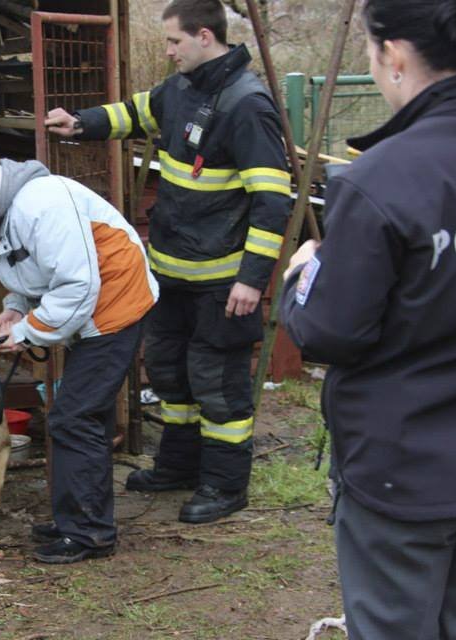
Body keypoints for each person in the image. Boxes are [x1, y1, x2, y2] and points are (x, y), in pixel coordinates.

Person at [280, 1, 456, 637]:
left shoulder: (379, 179)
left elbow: (331, 331)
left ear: (391, 54)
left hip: (404, 471)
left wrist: (305, 271)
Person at [45, 0, 290, 522]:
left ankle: (225, 486)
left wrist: (252, 279)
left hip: (223, 282)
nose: (169, 50)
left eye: (175, 41)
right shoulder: (181, 88)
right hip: (171, 272)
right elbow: (135, 112)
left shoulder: (247, 105)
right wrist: (80, 123)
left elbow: (273, 200)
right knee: (171, 374)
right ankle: (178, 467)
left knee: (218, 384)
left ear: (205, 36)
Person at [0, 145, 158, 563]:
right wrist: (16, 308)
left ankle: (88, 534)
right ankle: (77, 521)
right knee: (83, 419)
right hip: (89, 311)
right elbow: (35, 272)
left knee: (73, 418)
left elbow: (76, 285)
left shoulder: (42, 206)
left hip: (115, 307)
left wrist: (31, 331)